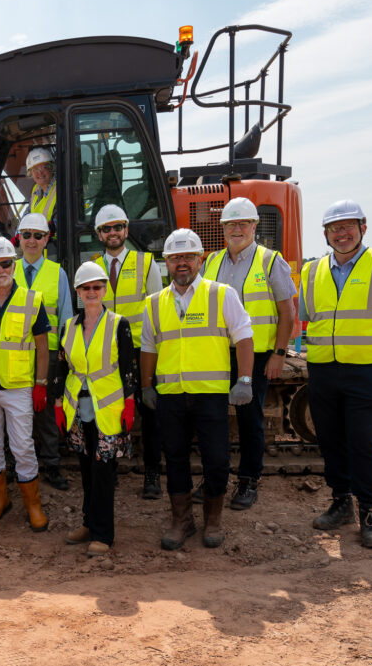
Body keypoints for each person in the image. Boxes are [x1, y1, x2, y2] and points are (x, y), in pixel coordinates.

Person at [301, 200, 372, 548]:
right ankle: (341, 503)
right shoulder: (312, 271)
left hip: (369, 370)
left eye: (348, 226)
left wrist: (371, 343)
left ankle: (370, 512)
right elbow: (311, 316)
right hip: (323, 368)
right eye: (334, 228)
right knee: (330, 439)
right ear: (325, 234)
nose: (342, 233)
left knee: (365, 442)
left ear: (363, 229)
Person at [140, 229, 255, 551]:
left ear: (200, 259)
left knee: (216, 459)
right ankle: (182, 521)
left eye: (188, 256)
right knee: (174, 459)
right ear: (166, 262)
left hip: (210, 395)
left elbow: (244, 336)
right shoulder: (154, 303)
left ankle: (213, 520)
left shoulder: (222, 294)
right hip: (171, 396)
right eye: (175, 258)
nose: (182, 263)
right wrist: (147, 386)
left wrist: (245, 379)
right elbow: (148, 347)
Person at [201, 198, 297, 510]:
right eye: (231, 224)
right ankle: (214, 478)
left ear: (255, 226)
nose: (237, 229)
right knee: (213, 418)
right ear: (223, 229)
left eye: (244, 223)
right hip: (216, 353)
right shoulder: (212, 262)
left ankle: (248, 480)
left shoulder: (271, 261)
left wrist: (279, 354)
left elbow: (287, 312)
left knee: (249, 418)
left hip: (256, 356)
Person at [56, 262, 137, 556]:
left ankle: (104, 534)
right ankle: (89, 523)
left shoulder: (119, 324)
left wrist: (130, 402)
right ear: (78, 292)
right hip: (78, 408)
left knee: (103, 472)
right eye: (86, 288)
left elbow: (129, 367)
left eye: (96, 287)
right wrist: (57, 402)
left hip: (108, 407)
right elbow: (62, 366)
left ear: (104, 290)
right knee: (86, 470)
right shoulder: (69, 325)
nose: (91, 292)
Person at [0, 236, 51, 532]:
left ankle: (33, 505)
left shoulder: (32, 300)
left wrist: (41, 383)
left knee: (22, 447)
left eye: (6, 263)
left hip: (18, 388)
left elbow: (42, 347)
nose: (1, 269)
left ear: (14, 265)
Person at [92, 204, 164, 499]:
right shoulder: (94, 266)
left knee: (150, 414)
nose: (113, 233)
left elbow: (157, 313)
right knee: (108, 410)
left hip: (140, 350)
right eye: (107, 229)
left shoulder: (147, 264)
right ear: (99, 234)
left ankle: (152, 474)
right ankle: (110, 468)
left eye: (117, 227)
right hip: (106, 353)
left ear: (126, 230)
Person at [14, 213, 73, 491]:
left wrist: (64, 357)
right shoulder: (6, 270)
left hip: (46, 356)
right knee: (14, 411)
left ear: (47, 239)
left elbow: (66, 318)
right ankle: (17, 463)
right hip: (12, 356)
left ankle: (51, 463)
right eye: (27, 235)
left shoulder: (57, 273)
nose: (32, 240)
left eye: (38, 235)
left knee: (46, 411)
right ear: (19, 239)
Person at [22, 147, 57, 226]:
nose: (40, 173)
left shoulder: (61, 187)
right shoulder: (36, 189)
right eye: (35, 169)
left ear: (51, 168)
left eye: (44, 167)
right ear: (31, 173)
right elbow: (26, 215)